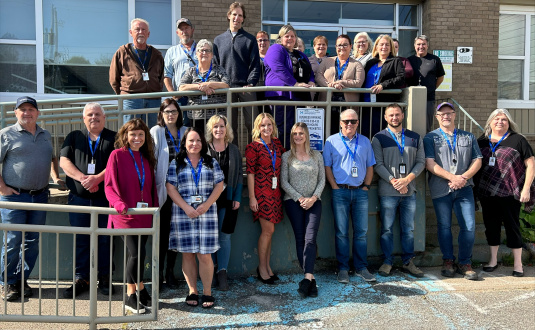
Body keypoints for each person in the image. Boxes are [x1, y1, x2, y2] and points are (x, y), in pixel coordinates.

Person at [0, 96, 64, 302]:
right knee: (12, 242)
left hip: (40, 196)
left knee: (32, 242)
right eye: (22, 109)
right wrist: (2, 188)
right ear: (15, 112)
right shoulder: (6, 134)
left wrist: (56, 177)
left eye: (31, 109)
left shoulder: (45, 134)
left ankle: (21, 281)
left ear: (37, 112)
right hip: (15, 198)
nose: (27, 113)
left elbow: (52, 157)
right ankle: (8, 283)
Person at [60, 102, 116, 298]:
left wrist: (97, 178)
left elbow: (115, 163)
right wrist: (83, 179)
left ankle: (105, 278)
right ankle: (81, 278)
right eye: (90, 114)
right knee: (81, 239)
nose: (94, 117)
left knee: (105, 240)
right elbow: (64, 161)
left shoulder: (114, 137)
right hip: (79, 199)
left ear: (104, 117)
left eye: (98, 114)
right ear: (84, 118)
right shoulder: (74, 136)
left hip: (105, 200)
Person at [166, 127, 224, 309]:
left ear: (203, 143)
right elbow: (170, 187)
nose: (195, 144)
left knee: (205, 254)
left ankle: (207, 291)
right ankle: (192, 291)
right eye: (191, 140)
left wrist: (206, 204)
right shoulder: (176, 163)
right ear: (184, 143)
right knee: (188, 254)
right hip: (184, 215)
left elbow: (219, 184)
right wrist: (185, 207)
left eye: (198, 140)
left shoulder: (211, 162)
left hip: (206, 214)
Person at [105, 118, 158, 313]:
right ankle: (130, 295)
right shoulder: (117, 155)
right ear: (125, 136)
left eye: (141, 134)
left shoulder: (146, 158)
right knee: (135, 253)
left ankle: (141, 289)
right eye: (133, 134)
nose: (137, 138)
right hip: (125, 214)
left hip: (144, 214)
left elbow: (151, 188)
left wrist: (155, 211)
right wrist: (119, 204)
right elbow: (109, 185)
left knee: (140, 253)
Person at [423, 102, 482, 281]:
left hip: (464, 189)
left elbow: (477, 160)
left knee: (469, 226)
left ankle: (465, 263)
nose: (446, 116)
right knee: (444, 227)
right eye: (442, 114)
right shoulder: (430, 138)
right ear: (437, 117)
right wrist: (452, 177)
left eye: (449, 113)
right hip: (441, 189)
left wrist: (462, 178)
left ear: (455, 115)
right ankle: (448, 260)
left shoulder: (468, 136)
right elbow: (430, 163)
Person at [475, 109, 535, 277]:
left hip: (510, 191)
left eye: (504, 119)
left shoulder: (518, 140)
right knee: (491, 226)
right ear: (489, 122)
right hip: (487, 192)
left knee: (512, 226)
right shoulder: (482, 142)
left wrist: (526, 189)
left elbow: (531, 165)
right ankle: (493, 260)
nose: (500, 122)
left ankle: (518, 264)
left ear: (509, 123)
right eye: (496, 119)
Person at [371, 103, 425, 277]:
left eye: (397, 114)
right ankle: (387, 262)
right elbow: (377, 164)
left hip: (409, 192)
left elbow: (421, 162)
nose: (394, 118)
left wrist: (407, 180)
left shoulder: (415, 137)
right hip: (388, 191)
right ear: (385, 118)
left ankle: (408, 262)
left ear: (402, 116)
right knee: (387, 229)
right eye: (391, 115)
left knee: (408, 229)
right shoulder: (378, 138)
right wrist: (394, 181)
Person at [323, 109, 376, 283]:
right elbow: (327, 167)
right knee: (341, 233)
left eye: (353, 121)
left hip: (360, 192)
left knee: (361, 232)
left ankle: (361, 267)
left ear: (358, 123)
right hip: (340, 192)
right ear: (340, 122)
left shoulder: (365, 142)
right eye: (346, 121)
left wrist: (366, 186)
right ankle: (343, 269)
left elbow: (370, 166)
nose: (349, 124)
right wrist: (334, 187)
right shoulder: (331, 141)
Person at [281, 122, 325, 298]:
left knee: (310, 238)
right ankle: (310, 280)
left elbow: (322, 180)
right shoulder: (287, 157)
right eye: (294, 134)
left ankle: (307, 279)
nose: (297, 136)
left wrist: (313, 198)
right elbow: (284, 182)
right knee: (300, 238)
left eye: (300, 133)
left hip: (315, 201)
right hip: (293, 202)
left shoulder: (317, 156)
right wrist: (300, 198)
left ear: (306, 135)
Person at [150, 98, 188, 289]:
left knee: (176, 234)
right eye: (167, 112)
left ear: (179, 113)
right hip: (162, 191)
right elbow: (151, 160)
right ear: (162, 114)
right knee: (162, 234)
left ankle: (170, 273)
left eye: (174, 111)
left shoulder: (185, 132)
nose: (171, 115)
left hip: (181, 192)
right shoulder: (156, 132)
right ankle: (157, 274)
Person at [246, 113, 285, 285]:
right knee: (267, 231)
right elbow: (250, 174)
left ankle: (268, 267)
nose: (266, 128)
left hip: (275, 192)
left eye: (269, 125)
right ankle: (261, 269)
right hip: (261, 193)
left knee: (271, 232)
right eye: (263, 125)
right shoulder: (253, 147)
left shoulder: (277, 143)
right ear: (257, 128)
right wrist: (252, 197)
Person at [213, 2, 260, 145]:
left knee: (253, 124)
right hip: (226, 88)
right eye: (234, 14)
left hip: (246, 88)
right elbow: (215, 65)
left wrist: (251, 83)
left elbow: (255, 64)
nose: (237, 18)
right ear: (229, 16)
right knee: (229, 127)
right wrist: (220, 84)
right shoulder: (218, 40)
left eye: (240, 15)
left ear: (243, 19)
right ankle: (234, 161)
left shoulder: (250, 39)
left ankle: (257, 155)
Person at [206, 115, 243, 291]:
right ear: (210, 130)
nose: (219, 130)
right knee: (210, 236)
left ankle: (222, 272)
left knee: (224, 236)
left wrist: (237, 197)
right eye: (215, 127)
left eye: (221, 126)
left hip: (228, 199)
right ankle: (211, 270)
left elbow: (239, 177)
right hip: (208, 200)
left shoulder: (234, 150)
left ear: (226, 129)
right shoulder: (205, 149)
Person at [264, 24, 315, 147]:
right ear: (280, 38)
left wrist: (311, 81)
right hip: (281, 96)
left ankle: (295, 156)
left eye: (293, 36)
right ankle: (282, 157)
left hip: (299, 97)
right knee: (283, 129)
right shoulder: (275, 49)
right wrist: (295, 84)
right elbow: (278, 68)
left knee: (298, 129)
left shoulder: (300, 54)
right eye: (287, 36)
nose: (290, 38)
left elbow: (310, 71)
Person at [109, 18, 164, 128]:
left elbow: (161, 78)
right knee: (130, 132)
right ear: (131, 32)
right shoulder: (122, 52)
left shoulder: (156, 54)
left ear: (148, 34)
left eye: (144, 30)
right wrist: (125, 95)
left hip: (153, 100)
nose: (140, 32)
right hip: (131, 100)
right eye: (137, 29)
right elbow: (113, 78)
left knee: (151, 133)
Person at [316, 34, 365, 135]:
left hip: (347, 106)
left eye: (345, 45)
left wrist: (342, 82)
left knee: (347, 134)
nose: (341, 48)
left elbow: (358, 82)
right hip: (328, 104)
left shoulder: (357, 64)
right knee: (328, 132)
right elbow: (318, 76)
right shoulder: (327, 61)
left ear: (351, 46)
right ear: (335, 47)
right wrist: (329, 85)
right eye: (339, 45)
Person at [179, 39, 230, 135]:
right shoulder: (191, 71)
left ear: (212, 55)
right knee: (200, 143)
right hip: (196, 116)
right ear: (196, 54)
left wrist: (209, 84)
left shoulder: (218, 69)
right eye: (201, 50)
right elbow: (182, 87)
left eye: (207, 50)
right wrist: (199, 87)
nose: (204, 53)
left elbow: (226, 84)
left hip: (217, 116)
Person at [362, 34, 405, 138]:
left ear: (391, 48)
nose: (384, 47)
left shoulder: (396, 61)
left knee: (380, 133)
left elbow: (401, 78)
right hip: (366, 104)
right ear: (376, 46)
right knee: (366, 132)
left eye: (387, 45)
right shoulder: (370, 63)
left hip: (383, 104)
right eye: (381, 44)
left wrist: (383, 85)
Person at [163, 18, 198, 127]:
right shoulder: (172, 51)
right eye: (181, 29)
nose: (184, 31)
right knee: (182, 128)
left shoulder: (202, 48)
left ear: (192, 30)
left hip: (199, 96)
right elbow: (166, 75)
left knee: (199, 129)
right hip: (181, 97)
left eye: (186, 28)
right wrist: (173, 94)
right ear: (177, 33)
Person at [408, 35, 445, 133]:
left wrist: (431, 88)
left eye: (423, 44)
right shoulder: (409, 60)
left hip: (428, 99)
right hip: (411, 99)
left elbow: (441, 77)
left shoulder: (434, 60)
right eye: (418, 44)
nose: (421, 46)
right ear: (414, 46)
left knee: (426, 126)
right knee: (410, 125)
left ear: (427, 45)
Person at [309, 35, 328, 102]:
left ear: (327, 46)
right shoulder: (308, 61)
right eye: (319, 44)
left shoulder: (332, 60)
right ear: (314, 46)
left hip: (326, 93)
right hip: (312, 93)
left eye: (324, 44)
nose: (321, 46)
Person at [256, 30, 271, 112]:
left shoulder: (273, 57)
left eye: (265, 40)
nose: (262, 42)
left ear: (268, 42)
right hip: (257, 91)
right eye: (260, 40)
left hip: (271, 91)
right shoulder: (253, 58)